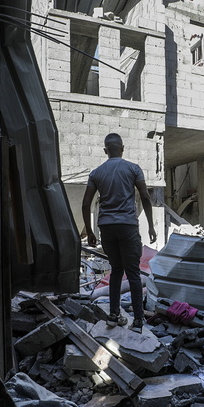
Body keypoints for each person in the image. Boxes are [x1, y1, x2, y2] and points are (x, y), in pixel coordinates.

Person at [82, 133, 156, 333]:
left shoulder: (96, 173)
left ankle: (113, 316)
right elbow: (145, 198)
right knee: (132, 273)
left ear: (105, 150)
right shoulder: (133, 168)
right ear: (122, 148)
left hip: (106, 228)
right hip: (127, 227)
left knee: (115, 270)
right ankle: (138, 321)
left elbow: (86, 203)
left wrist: (90, 232)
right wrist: (150, 225)